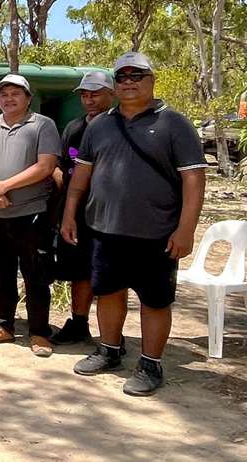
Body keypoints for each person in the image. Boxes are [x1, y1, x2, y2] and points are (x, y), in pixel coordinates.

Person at [62, 52, 205, 396]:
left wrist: (186, 229)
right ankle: (110, 350)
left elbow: (194, 180)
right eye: (122, 76)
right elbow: (81, 177)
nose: (128, 82)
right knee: (108, 293)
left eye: (136, 75)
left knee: (154, 301)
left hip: (157, 233)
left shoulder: (175, 124)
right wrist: (69, 214)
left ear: (151, 80)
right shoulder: (100, 125)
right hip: (105, 230)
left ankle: (150, 364)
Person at [0, 74, 60, 357]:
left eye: (15, 94)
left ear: (28, 98)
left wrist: (4, 186)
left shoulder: (43, 125)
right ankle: (3, 326)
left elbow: (46, 166)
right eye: (3, 94)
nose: (8, 99)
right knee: (1, 273)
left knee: (35, 275)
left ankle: (39, 332)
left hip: (31, 213)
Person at [50, 71, 114, 346]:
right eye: (85, 95)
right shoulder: (74, 128)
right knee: (80, 270)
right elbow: (63, 165)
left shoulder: (119, 127)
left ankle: (112, 337)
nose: (89, 100)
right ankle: (79, 323)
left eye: (95, 94)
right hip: (76, 211)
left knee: (109, 275)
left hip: (110, 212)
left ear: (111, 94)